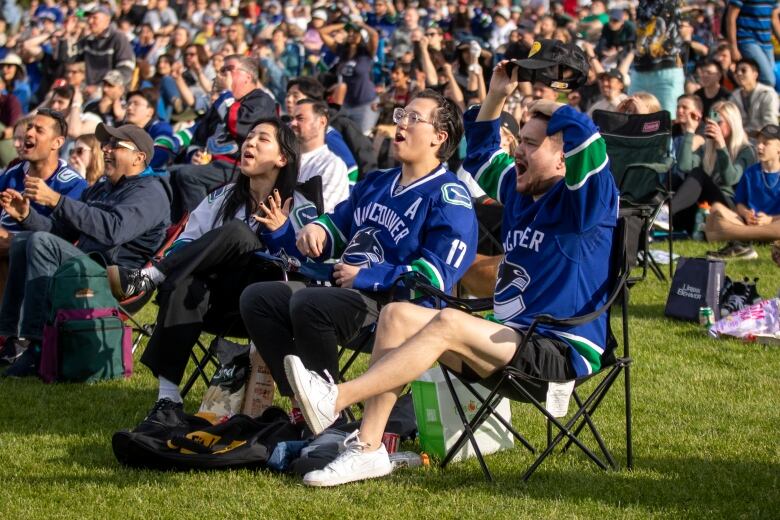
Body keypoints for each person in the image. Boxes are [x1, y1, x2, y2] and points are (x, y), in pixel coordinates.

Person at [282, 52, 618, 487]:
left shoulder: (586, 205)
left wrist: (552, 93)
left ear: (564, 162)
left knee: (446, 322)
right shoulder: (521, 194)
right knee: (397, 314)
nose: (519, 148)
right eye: (521, 140)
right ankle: (367, 449)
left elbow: (587, 137)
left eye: (534, 144)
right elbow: (480, 152)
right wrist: (497, 93)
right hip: (511, 339)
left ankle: (334, 399)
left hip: (559, 348)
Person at [239, 89, 478, 430]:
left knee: (310, 302)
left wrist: (368, 276)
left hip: (401, 310)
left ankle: (331, 414)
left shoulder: (450, 197)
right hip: (348, 296)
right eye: (401, 115)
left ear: (439, 138)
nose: (401, 123)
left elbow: (435, 277)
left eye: (414, 118)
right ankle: (303, 404)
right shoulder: (377, 182)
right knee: (259, 298)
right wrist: (318, 229)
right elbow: (338, 223)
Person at [109, 119, 320, 429]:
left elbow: (311, 269)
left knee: (237, 233)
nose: (249, 143)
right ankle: (167, 401)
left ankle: (151, 277)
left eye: (262, 139)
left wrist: (282, 233)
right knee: (185, 284)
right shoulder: (221, 198)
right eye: (248, 137)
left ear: (282, 158)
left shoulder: (300, 206)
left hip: (268, 306)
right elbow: (186, 241)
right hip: (217, 304)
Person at [0, 124, 170, 376]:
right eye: (105, 144)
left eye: (115, 145)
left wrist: (57, 200)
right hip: (87, 265)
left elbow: (114, 230)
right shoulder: (104, 187)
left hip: (114, 278)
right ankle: (9, 337)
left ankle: (37, 347)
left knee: (39, 243)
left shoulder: (150, 192)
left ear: (139, 157)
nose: (106, 150)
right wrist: (26, 216)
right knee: (24, 239)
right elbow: (61, 231)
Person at [169, 54, 277, 221]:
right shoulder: (221, 102)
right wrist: (195, 154)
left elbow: (239, 127)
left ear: (248, 76)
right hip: (211, 165)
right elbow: (199, 137)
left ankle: (203, 227)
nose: (222, 74)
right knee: (166, 175)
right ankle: (172, 230)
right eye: (221, 70)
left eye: (229, 70)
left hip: (237, 166)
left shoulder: (261, 99)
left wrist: (226, 93)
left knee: (187, 176)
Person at [657, 100, 755, 231]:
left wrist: (721, 145)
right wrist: (690, 131)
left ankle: (666, 212)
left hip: (731, 205)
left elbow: (730, 179)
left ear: (732, 124)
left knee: (699, 174)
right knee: (676, 178)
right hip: (706, 201)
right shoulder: (707, 147)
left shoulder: (746, 150)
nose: (714, 126)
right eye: (711, 123)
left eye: (719, 122)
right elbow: (685, 168)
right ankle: (654, 217)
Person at [705, 124, 780, 260]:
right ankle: (748, 239)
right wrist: (746, 213)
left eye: (766, 143)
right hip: (748, 224)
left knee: (715, 230)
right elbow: (740, 203)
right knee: (716, 209)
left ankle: (742, 239)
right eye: (758, 142)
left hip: (774, 226)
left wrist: (770, 219)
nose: (759, 146)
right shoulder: (751, 172)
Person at [320, 19, 380, 135]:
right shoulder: (342, 51)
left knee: (362, 138)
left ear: (361, 35)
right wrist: (344, 24)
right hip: (347, 104)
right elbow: (322, 32)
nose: (351, 34)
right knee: (346, 138)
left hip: (366, 105)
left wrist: (361, 25)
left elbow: (374, 35)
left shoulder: (366, 53)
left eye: (355, 32)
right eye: (350, 32)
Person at [629, 0, 685, 116]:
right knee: (630, 118)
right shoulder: (642, 4)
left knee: (668, 121)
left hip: (667, 70)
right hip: (639, 70)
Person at [75, 3, 136, 88]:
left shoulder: (118, 38)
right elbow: (69, 59)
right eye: (89, 17)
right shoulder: (88, 39)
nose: (89, 21)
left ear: (107, 20)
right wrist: (69, 35)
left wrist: (103, 86)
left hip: (109, 90)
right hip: (87, 89)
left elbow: (126, 68)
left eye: (94, 18)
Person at [725, 0, 780, 88]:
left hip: (766, 43)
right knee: (768, 80)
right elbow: (731, 17)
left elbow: (774, 19)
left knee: (770, 80)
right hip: (747, 39)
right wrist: (733, 47)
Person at [729, 58, 779, 138]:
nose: (739, 73)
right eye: (736, 71)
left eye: (743, 70)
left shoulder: (767, 93)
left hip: (763, 140)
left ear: (755, 74)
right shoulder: (734, 96)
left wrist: (751, 134)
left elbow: (771, 124)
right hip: (740, 140)